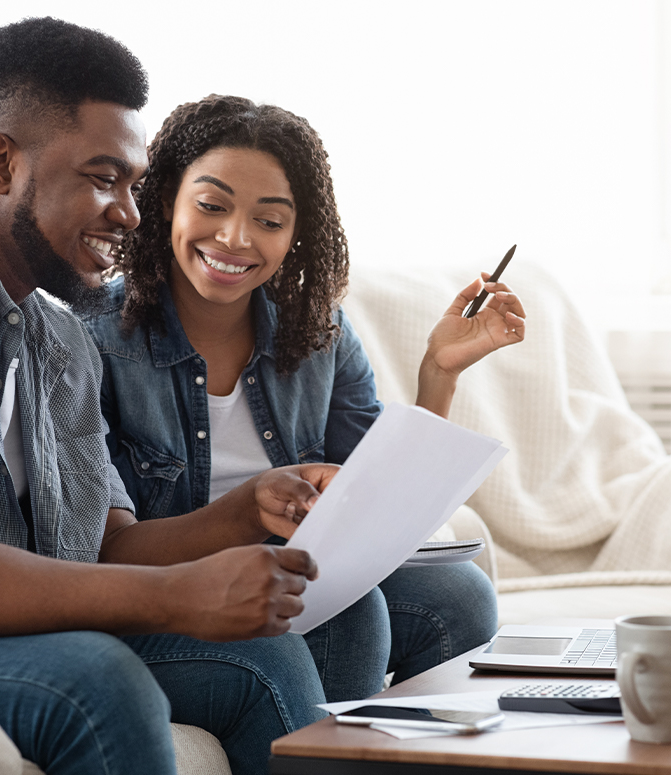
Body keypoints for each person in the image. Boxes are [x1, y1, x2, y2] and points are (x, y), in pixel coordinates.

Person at [0, 19, 346, 775]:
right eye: (102, 177)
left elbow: (105, 545)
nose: (129, 212)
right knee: (99, 680)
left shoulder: (55, 336)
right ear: (0, 164)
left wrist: (245, 508)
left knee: (268, 654)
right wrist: (172, 597)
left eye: (133, 183)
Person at [82, 95, 528, 700]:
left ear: (296, 233)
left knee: (459, 597)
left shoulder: (319, 333)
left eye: (269, 221)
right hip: (169, 588)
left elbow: (379, 502)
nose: (235, 239)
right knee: (352, 610)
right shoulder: (94, 340)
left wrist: (439, 372)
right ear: (166, 201)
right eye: (211, 206)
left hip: (299, 576)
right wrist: (246, 511)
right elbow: (109, 551)